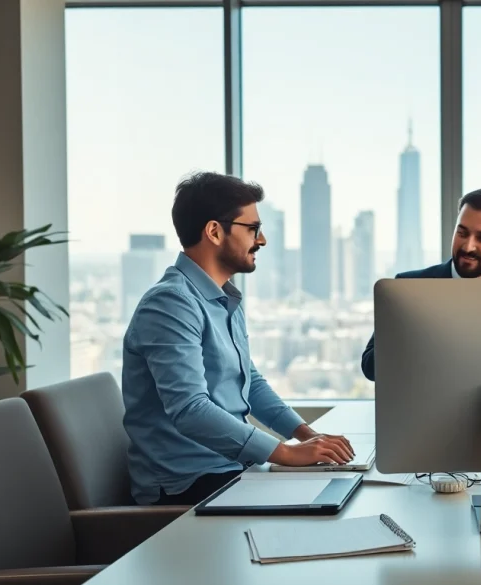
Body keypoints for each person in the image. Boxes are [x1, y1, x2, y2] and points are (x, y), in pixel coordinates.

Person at [122, 172, 354, 505]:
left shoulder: (224, 298)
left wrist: (307, 435)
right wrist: (285, 455)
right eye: (253, 229)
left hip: (230, 469)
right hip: (188, 486)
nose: (261, 240)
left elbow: (251, 382)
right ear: (215, 231)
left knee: (338, 489)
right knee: (322, 509)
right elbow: (190, 409)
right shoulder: (170, 303)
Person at [361, 188, 481, 381]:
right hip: (421, 409)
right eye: (462, 232)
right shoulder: (408, 287)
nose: (468, 246)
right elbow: (370, 367)